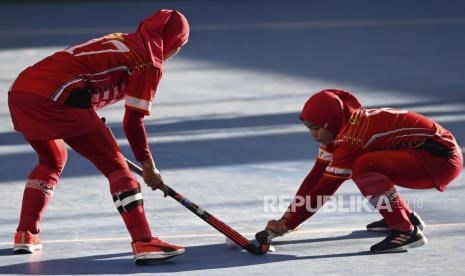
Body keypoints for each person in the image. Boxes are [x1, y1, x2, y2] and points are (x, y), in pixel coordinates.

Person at [8, 9, 189, 264]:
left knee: (51, 160)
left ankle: (26, 234)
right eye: (180, 45)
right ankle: (144, 242)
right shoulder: (148, 61)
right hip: (60, 96)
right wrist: (149, 166)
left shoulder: (124, 40)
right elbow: (133, 121)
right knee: (117, 168)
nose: (177, 52)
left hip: (22, 92)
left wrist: (88, 114)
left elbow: (81, 72)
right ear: (172, 42)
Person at [263, 89, 463, 253]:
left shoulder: (352, 139)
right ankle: (406, 217)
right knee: (366, 163)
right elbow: (315, 176)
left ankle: (406, 231)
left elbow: (324, 188)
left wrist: (287, 226)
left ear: (330, 121)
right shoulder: (341, 127)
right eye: (308, 128)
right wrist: (287, 217)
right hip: (429, 153)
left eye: (316, 128)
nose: (313, 134)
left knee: (363, 165)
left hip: (441, 161)